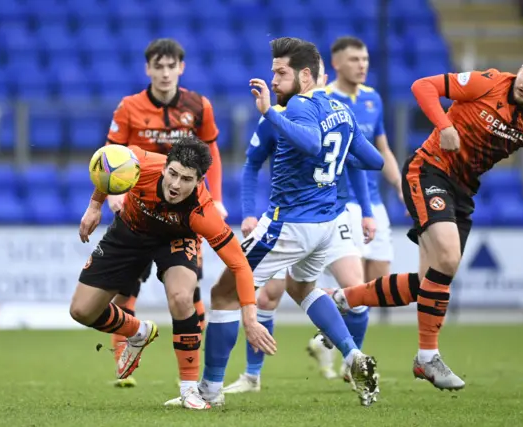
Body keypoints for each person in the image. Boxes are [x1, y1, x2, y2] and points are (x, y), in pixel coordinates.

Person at [331, 48, 523, 391]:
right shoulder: (489, 82)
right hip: (428, 170)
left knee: (430, 281)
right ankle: (427, 358)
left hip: (463, 191)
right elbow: (422, 86)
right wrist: (444, 125)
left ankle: (341, 299)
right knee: (448, 258)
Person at [195, 37, 385, 408]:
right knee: (302, 289)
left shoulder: (296, 106)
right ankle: (352, 356)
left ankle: (209, 391)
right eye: (273, 72)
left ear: (305, 76)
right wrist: (337, 153)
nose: (274, 80)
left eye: (281, 73)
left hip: (289, 223)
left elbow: (313, 145)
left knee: (223, 294)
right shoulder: (340, 109)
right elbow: (374, 160)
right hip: (326, 223)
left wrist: (270, 112)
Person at [71, 137, 276, 409]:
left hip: (177, 241)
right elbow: (108, 165)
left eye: (187, 179)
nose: (176, 185)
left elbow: (240, 264)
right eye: (173, 174)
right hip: (129, 232)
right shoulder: (139, 162)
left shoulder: (202, 212)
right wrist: (95, 205)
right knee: (82, 311)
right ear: (165, 166)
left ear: (200, 181)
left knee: (181, 298)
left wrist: (250, 319)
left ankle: (190, 389)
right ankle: (138, 331)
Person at [103, 38, 226, 386]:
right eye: (158, 66)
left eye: (171, 66)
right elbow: (113, 155)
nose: (165, 72)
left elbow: (211, 154)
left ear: (181, 68)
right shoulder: (129, 107)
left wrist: (215, 198)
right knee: (124, 285)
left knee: (188, 290)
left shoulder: (199, 106)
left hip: (183, 210)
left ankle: (193, 371)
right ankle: (123, 363)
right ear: (148, 69)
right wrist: (113, 194)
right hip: (138, 206)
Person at [308, 36, 405, 384]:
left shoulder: (372, 98)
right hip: (341, 202)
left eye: (365, 58)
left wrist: (399, 186)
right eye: (354, 59)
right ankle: (352, 357)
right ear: (336, 63)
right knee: (357, 287)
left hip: (373, 203)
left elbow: (383, 149)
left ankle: (326, 340)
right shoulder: (324, 99)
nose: (362, 64)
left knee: (375, 284)